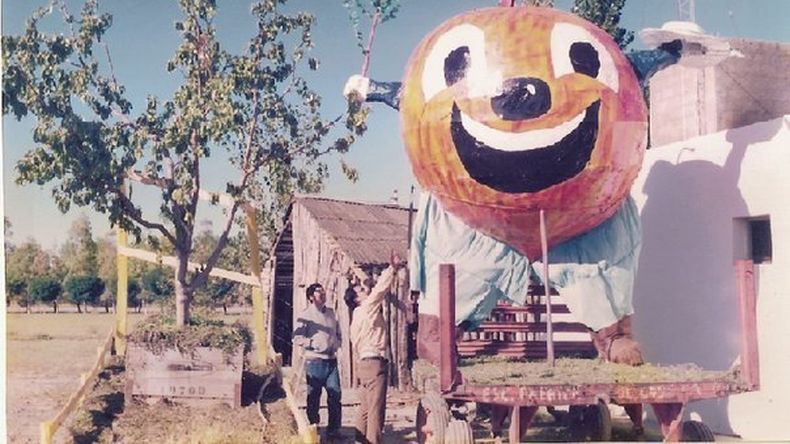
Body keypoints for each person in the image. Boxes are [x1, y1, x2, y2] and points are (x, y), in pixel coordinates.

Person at [348, 254, 403, 444]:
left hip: (363, 364)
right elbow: (380, 290)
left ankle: (359, 440)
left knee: (364, 406)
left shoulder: (355, 319)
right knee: (376, 408)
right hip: (374, 363)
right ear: (357, 299)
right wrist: (392, 269)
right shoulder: (366, 308)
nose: (366, 290)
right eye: (362, 290)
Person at [292, 283, 342, 439]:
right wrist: (313, 344)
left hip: (331, 361)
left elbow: (338, 332)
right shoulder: (305, 315)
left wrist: (337, 343)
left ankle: (334, 430)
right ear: (311, 297)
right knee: (314, 395)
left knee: (335, 394)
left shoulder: (331, 313)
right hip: (314, 362)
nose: (322, 295)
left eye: (323, 292)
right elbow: (297, 338)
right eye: (318, 292)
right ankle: (314, 427)